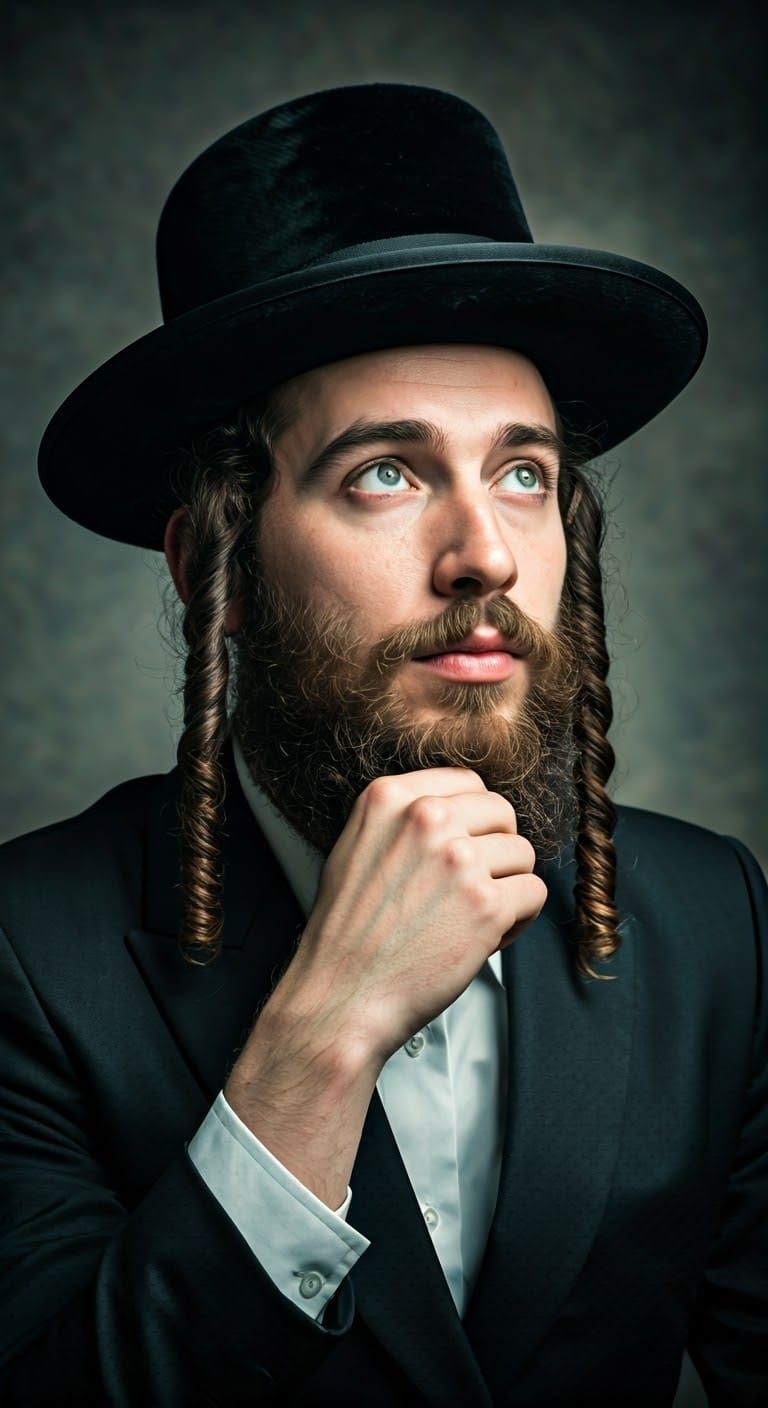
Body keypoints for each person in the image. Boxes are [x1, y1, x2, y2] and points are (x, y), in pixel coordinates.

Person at [0, 82, 765, 1408]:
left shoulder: (718, 928)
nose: (484, 552)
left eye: (523, 471)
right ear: (212, 564)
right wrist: (325, 1029)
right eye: (387, 473)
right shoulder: (28, 954)